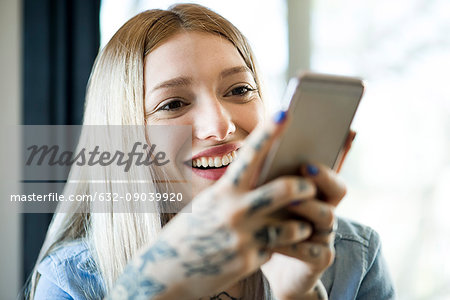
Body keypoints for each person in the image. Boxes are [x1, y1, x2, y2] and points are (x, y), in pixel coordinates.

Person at [28, 3, 395, 300]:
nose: (220, 128)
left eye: (238, 90)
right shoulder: (72, 283)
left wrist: (298, 296)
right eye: (173, 104)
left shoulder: (353, 257)